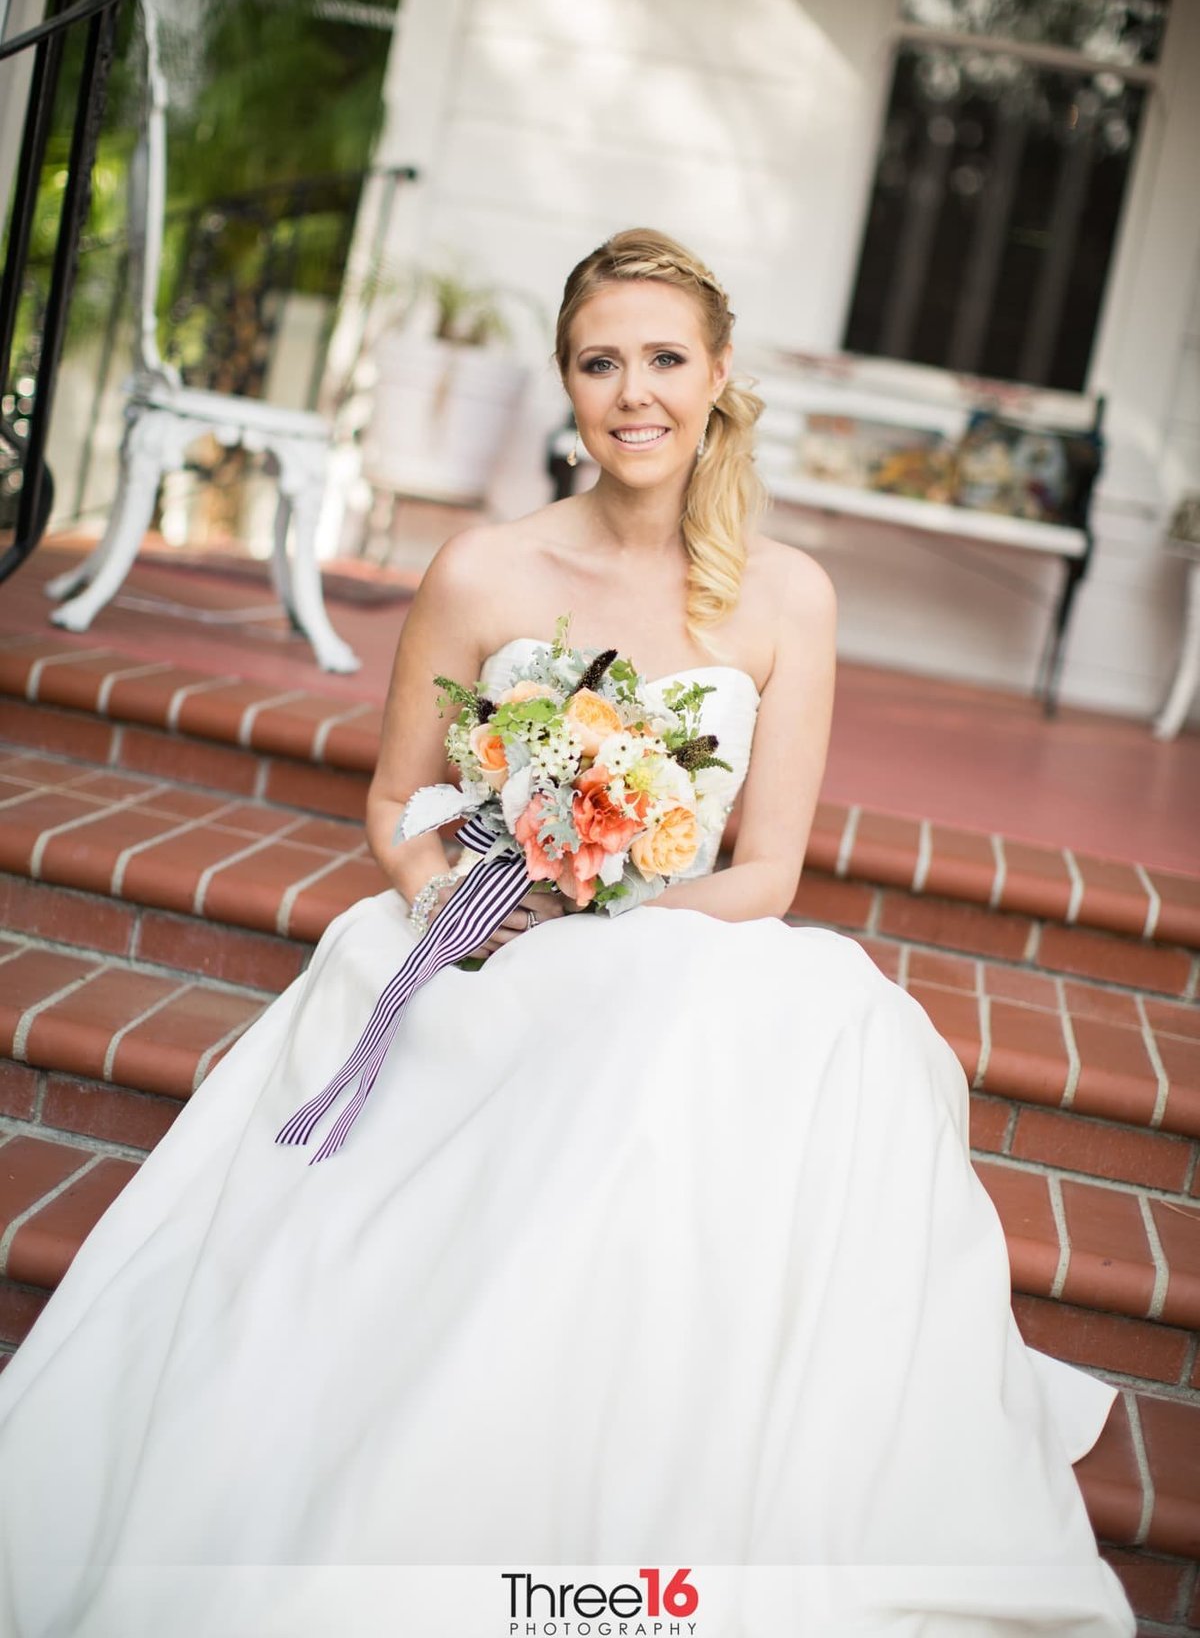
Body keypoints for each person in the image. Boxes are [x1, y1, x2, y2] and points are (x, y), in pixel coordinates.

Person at [0, 229, 1135, 1638]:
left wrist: (611, 920)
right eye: (602, 362)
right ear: (569, 387)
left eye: (666, 358)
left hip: (672, 941)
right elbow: (396, 799)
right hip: (480, 935)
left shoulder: (789, 599)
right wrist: (453, 909)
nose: (635, 391)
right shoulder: (482, 569)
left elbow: (770, 869)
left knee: (753, 1023)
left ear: (719, 379)